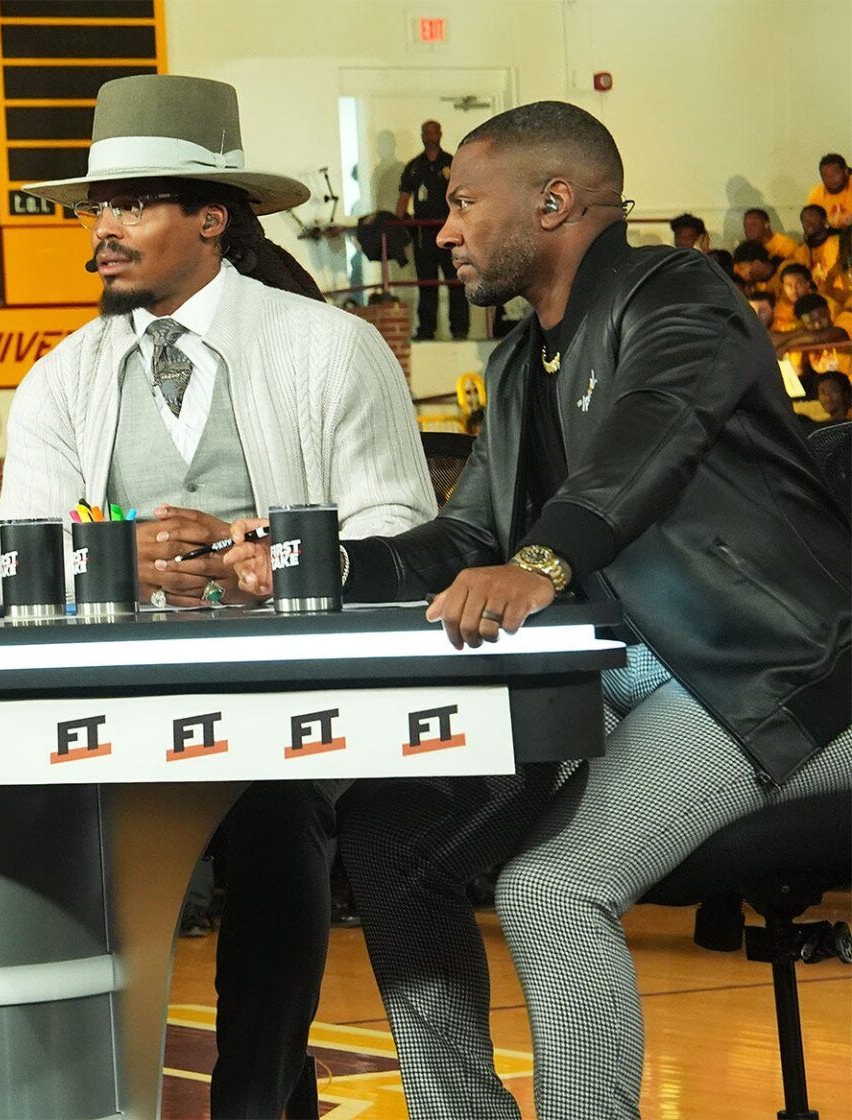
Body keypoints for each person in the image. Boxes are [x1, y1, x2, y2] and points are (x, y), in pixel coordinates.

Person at [227, 100, 851, 1120]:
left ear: (553, 202)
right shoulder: (520, 362)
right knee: (390, 841)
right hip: (630, 673)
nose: (443, 230)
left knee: (552, 889)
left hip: (775, 671)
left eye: (465, 203)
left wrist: (545, 560)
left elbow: (654, 434)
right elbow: (464, 537)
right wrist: (311, 559)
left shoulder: (679, 295)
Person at [0, 75, 437, 1119]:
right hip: (118, 695)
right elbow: (16, 561)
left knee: (280, 809)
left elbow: (403, 528)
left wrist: (275, 554)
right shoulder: (61, 377)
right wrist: (114, 554)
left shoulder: (329, 346)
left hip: (290, 689)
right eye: (96, 209)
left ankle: (249, 1097)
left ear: (212, 216)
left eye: (132, 204)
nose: (103, 230)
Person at [397, 119, 469, 340]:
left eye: (433, 132)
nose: (430, 136)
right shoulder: (414, 167)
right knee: (427, 284)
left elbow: (465, 196)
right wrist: (402, 224)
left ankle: (459, 329)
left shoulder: (452, 163)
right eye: (426, 132)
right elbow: (403, 200)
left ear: (440, 134)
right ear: (422, 136)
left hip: (451, 232)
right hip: (424, 235)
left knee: (456, 281)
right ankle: (426, 330)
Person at [809, 152, 851, 229]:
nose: (830, 180)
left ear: (845, 172)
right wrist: (828, 222)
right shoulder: (816, 195)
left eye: (834, 175)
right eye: (825, 176)